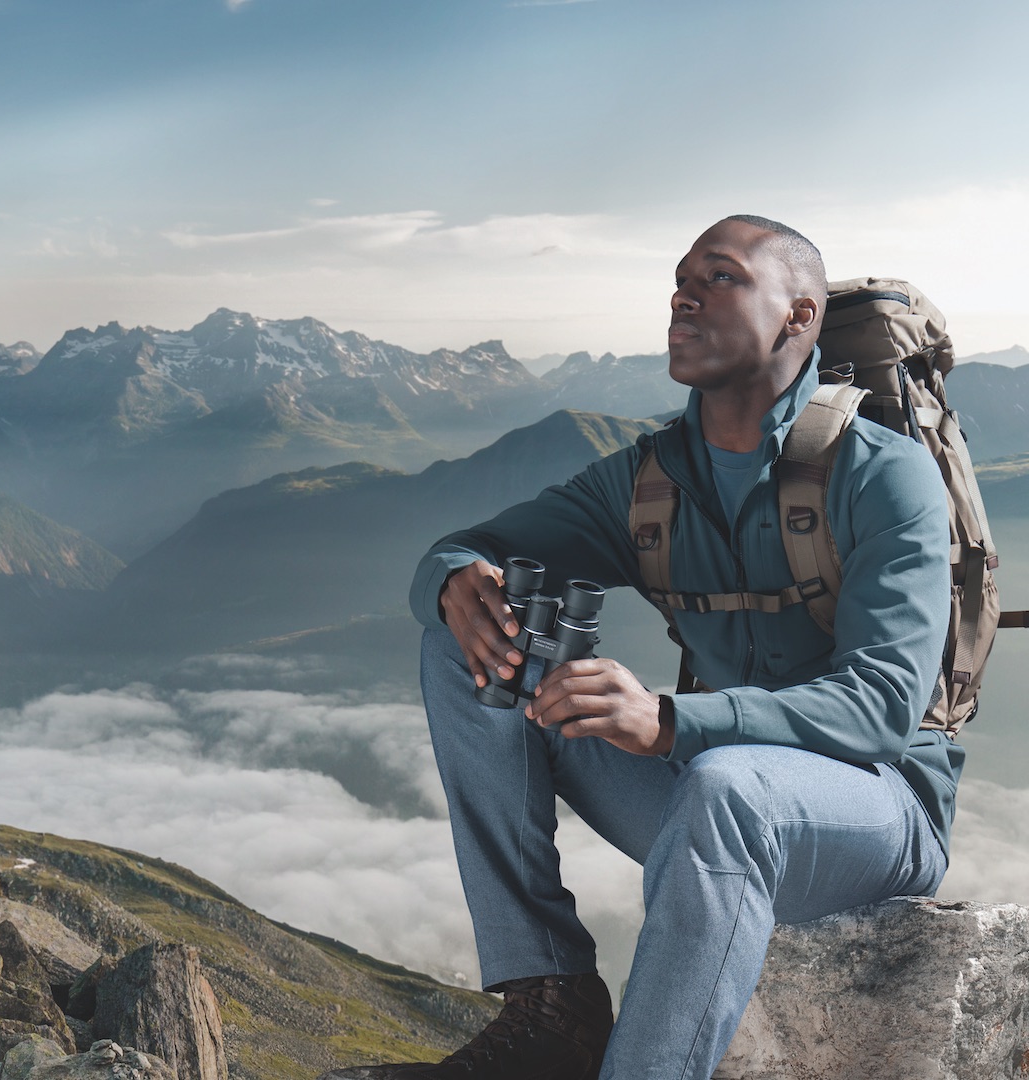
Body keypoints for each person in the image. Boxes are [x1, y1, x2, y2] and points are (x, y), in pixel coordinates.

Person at [323, 216, 956, 1080]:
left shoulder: (882, 474)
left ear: (798, 318)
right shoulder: (647, 482)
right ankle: (551, 1006)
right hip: (711, 796)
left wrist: (666, 719)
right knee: (466, 650)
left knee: (728, 784)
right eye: (680, 278)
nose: (684, 294)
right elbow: (469, 546)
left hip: (877, 816)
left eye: (722, 277)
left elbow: (881, 708)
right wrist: (451, 580)